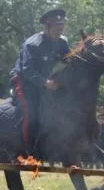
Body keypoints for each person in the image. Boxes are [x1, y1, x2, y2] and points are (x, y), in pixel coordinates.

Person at [9, 9, 70, 155]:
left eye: (61, 29)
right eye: (56, 29)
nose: (59, 32)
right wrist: (45, 83)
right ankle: (27, 151)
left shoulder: (62, 42)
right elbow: (27, 70)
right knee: (31, 112)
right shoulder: (32, 44)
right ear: (47, 26)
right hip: (24, 81)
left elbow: (69, 60)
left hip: (45, 82)